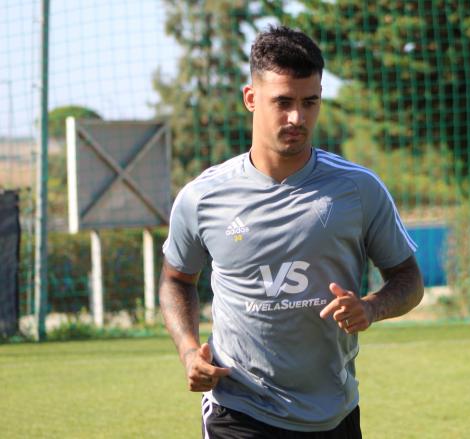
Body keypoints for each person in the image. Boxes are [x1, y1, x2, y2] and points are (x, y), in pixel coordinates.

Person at [159, 25, 424, 438]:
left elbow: (408, 280)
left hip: (332, 411)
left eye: (309, 102)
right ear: (251, 98)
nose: (297, 117)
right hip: (238, 409)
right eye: (282, 102)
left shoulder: (359, 189)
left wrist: (371, 308)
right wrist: (189, 350)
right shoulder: (202, 197)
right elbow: (176, 279)